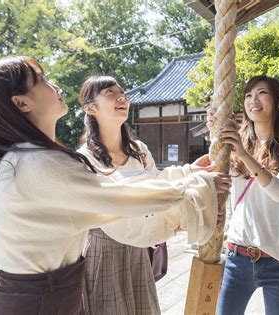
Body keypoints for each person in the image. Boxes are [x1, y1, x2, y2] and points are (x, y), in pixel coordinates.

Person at [0, 56, 231, 314]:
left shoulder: (27, 159)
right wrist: (196, 187)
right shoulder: (39, 163)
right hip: (48, 293)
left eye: (122, 92)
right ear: (21, 102)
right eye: (42, 80)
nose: (55, 86)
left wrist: (189, 174)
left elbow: (140, 183)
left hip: (45, 293)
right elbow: (120, 196)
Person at [77, 76, 217, 314]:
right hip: (104, 249)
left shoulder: (139, 150)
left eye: (122, 92)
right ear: (91, 108)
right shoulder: (84, 159)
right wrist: (189, 184)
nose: (121, 97)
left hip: (139, 247)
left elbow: (155, 183)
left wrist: (192, 171)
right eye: (110, 92)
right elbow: (126, 198)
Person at [207, 75, 279, 315]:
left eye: (262, 93)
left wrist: (243, 154)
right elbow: (217, 179)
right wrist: (216, 131)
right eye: (248, 96)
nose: (254, 101)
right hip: (237, 257)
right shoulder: (234, 144)